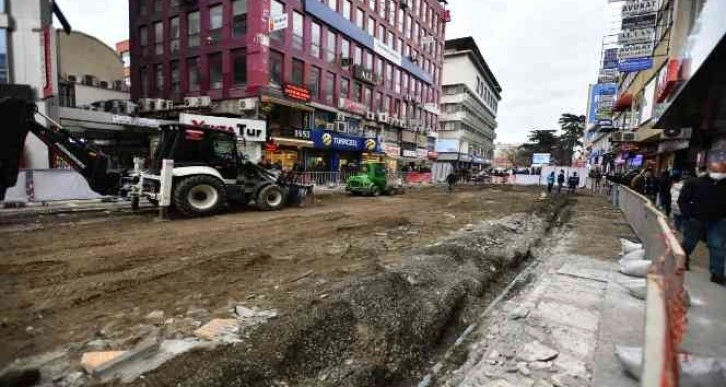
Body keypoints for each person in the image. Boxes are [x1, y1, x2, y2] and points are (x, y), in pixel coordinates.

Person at [678, 150, 726, 281]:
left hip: (718, 221)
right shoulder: (695, 183)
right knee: (689, 242)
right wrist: (688, 215)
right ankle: (683, 259)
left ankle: (717, 273)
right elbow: (683, 200)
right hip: (696, 219)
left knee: (717, 245)